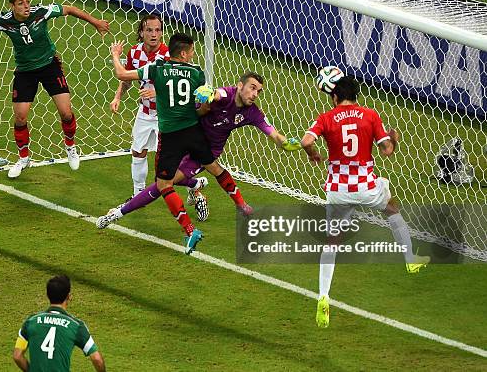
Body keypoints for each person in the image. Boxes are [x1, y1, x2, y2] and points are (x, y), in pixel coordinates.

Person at [300, 75, 430, 329]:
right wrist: (393, 138)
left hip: (338, 189)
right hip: (366, 187)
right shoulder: (370, 115)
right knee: (392, 208)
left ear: (335, 97)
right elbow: (387, 151)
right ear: (356, 96)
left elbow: (306, 141)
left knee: (332, 241)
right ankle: (410, 258)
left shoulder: (326, 118)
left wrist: (314, 153)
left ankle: (323, 295)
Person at [97, 72, 301, 228]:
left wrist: (287, 143)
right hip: (184, 137)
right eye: (252, 88)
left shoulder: (252, 113)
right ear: (240, 86)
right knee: (164, 177)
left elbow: (273, 133)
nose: (255, 94)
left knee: (163, 184)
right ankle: (196, 185)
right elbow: (216, 94)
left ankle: (116, 213)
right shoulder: (225, 95)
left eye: (259, 91)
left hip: (204, 153)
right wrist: (207, 97)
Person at [110, 33, 252, 255]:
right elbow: (202, 102)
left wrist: (115, 55)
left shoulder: (157, 69)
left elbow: (121, 73)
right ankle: (242, 204)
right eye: (192, 50)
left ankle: (190, 230)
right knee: (215, 167)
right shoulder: (197, 73)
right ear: (184, 53)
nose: (193, 54)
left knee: (164, 185)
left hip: (171, 137)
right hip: (195, 132)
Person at [0, 0, 110, 178]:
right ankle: (23, 158)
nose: (27, 6)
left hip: (49, 66)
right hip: (25, 72)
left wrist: (95, 22)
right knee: (20, 117)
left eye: (28, 1)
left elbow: (69, 9)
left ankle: (70, 147)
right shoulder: (4, 21)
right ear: (12, 6)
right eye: (21, 3)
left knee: (66, 112)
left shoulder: (40, 12)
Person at [109, 14, 170, 196]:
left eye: (157, 30)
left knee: (173, 158)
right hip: (144, 111)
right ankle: (138, 193)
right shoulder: (134, 52)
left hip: (166, 114)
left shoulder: (167, 55)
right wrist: (117, 96)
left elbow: (177, 84)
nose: (153, 34)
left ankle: (195, 188)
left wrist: (156, 93)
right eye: (149, 30)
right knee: (138, 151)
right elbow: (126, 79)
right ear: (141, 32)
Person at [13, 275, 106, 372]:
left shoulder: (31, 322)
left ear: (47, 295)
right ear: (69, 297)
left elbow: (17, 356)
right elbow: (97, 359)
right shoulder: (76, 326)